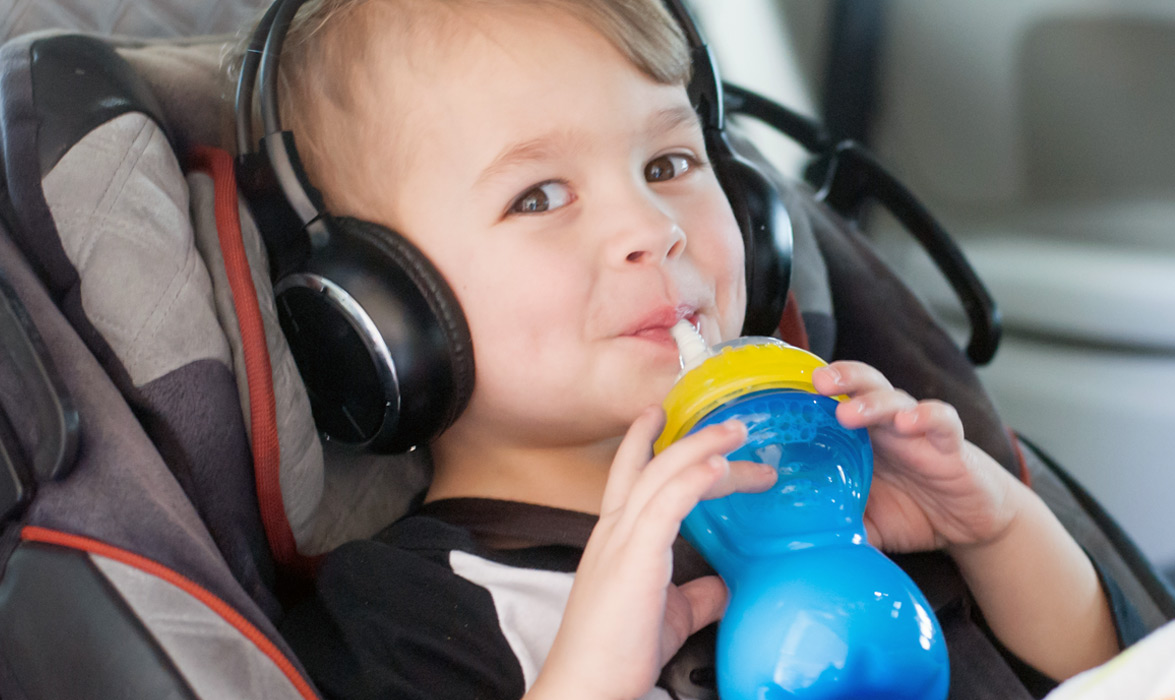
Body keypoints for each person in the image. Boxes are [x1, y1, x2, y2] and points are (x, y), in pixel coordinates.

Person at [265, 1, 1121, 698]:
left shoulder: (829, 480)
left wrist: (994, 529)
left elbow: (1110, 675)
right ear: (381, 305)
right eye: (540, 196)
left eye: (671, 163)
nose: (654, 229)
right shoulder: (414, 612)